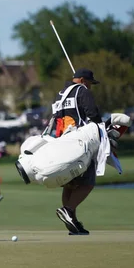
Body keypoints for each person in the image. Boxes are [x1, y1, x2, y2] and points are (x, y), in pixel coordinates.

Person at [50, 68, 102, 236]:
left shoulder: (60, 93)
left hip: (61, 144)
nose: (90, 87)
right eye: (89, 83)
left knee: (70, 184)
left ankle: (71, 220)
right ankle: (68, 210)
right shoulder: (82, 91)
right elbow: (93, 115)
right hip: (79, 144)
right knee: (88, 182)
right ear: (81, 80)